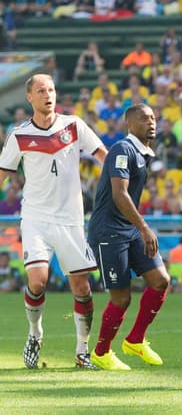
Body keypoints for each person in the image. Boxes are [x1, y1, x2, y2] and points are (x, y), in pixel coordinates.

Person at [0, 74, 107, 369]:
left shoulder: (74, 125)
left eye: (51, 90)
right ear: (29, 98)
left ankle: (82, 351)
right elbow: (3, 173)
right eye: (41, 91)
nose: (48, 95)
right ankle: (35, 333)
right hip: (35, 217)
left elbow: (103, 155)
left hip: (70, 219)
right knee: (38, 280)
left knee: (82, 288)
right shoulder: (19, 135)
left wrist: (120, 176)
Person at [86, 103, 170, 371]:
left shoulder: (143, 153)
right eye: (144, 118)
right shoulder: (123, 150)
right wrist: (144, 227)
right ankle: (101, 352)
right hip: (108, 231)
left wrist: (139, 228)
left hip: (128, 228)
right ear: (130, 124)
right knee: (121, 298)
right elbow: (119, 194)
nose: (151, 122)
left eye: (153, 118)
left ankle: (135, 340)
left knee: (160, 281)